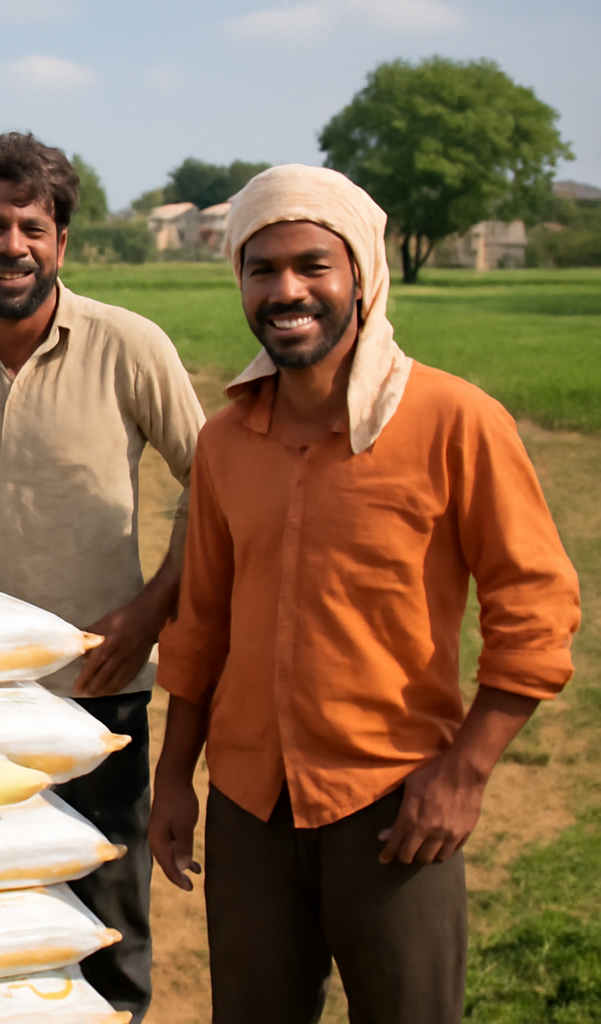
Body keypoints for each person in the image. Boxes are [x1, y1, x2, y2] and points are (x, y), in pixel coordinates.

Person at [150, 164, 581, 1024]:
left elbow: (535, 610)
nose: (287, 291)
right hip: (248, 806)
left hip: (394, 803)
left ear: (362, 277)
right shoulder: (226, 443)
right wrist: (173, 778)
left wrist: (465, 773)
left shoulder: (455, 421)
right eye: (262, 269)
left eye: (313, 265)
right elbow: (202, 623)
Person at [0, 133, 206, 1022]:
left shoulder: (128, 345)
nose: (13, 246)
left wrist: (150, 611)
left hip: (99, 688)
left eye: (33, 227)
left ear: (62, 242)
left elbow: (216, 483)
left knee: (108, 916)